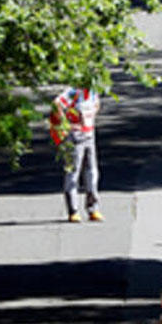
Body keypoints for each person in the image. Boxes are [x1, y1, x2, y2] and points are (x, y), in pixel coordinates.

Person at [49, 86, 104, 222]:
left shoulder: (92, 91)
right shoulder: (74, 92)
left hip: (89, 135)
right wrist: (66, 124)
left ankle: (93, 209)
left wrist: (89, 119)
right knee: (73, 172)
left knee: (92, 172)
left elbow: (97, 104)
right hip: (75, 137)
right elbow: (57, 104)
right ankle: (73, 210)